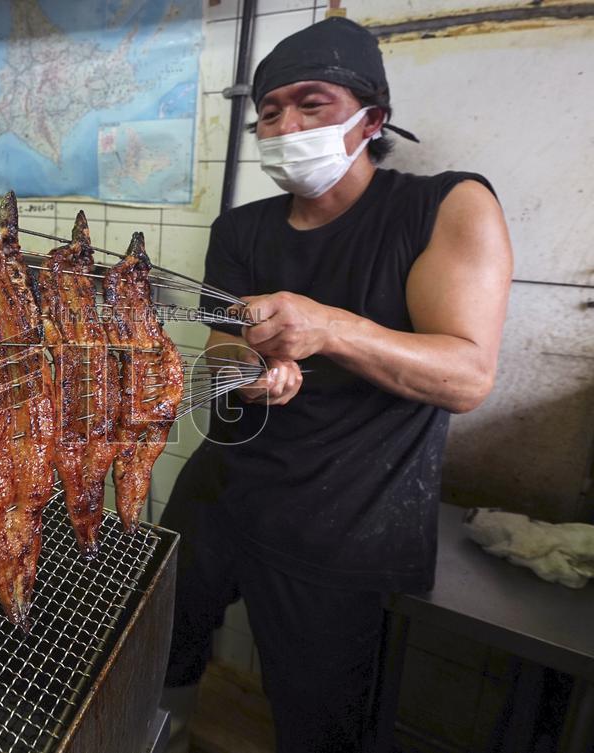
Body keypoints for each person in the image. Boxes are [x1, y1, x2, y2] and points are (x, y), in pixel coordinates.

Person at [159, 16, 512, 753]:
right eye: (271, 111)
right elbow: (218, 358)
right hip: (224, 491)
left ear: (370, 118)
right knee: (163, 644)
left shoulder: (446, 208)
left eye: (311, 104)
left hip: (349, 520)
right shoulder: (241, 231)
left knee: (320, 720)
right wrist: (248, 372)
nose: (287, 125)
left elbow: (468, 374)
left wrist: (330, 327)